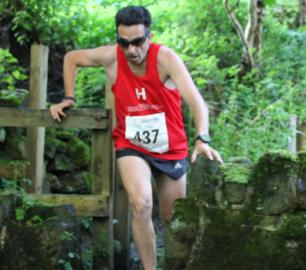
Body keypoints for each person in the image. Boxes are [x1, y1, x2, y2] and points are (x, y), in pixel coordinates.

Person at [50, 5, 222, 270]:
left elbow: (197, 103)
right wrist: (69, 97)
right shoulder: (112, 57)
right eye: (124, 43)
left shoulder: (165, 58)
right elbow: (72, 58)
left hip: (171, 148)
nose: (131, 50)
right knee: (140, 203)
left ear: (149, 37)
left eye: (138, 42)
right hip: (132, 145)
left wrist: (202, 139)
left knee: (172, 217)